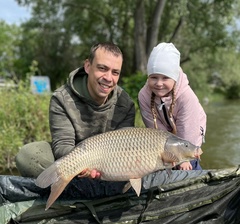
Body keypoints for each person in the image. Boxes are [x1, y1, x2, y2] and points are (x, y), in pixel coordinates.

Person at [16, 42, 135, 178]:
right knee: (27, 155)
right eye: (102, 68)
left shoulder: (125, 104)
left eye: (115, 72)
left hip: (111, 165)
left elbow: (124, 151)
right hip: (74, 160)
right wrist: (87, 166)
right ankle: (69, 184)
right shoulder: (61, 98)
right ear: (88, 66)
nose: (108, 78)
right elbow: (62, 146)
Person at [138, 42, 206, 170]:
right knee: (164, 162)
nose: (159, 83)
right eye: (154, 77)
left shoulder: (186, 97)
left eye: (165, 78)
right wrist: (165, 152)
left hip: (191, 132)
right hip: (166, 132)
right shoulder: (144, 95)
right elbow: (155, 131)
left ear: (174, 78)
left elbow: (188, 130)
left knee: (188, 166)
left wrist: (183, 158)